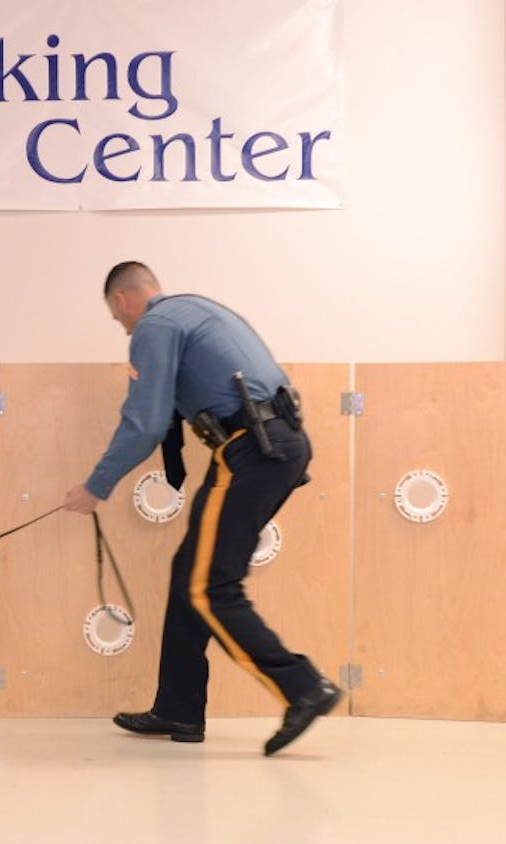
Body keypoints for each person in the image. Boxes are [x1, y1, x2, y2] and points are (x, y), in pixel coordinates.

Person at [62, 260, 340, 756]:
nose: (123, 327)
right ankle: (178, 708)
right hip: (270, 445)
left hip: (252, 449)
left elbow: (144, 422)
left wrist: (96, 487)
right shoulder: (197, 311)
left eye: (116, 317)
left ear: (123, 300)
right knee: (189, 571)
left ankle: (302, 686)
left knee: (210, 587)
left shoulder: (154, 325)